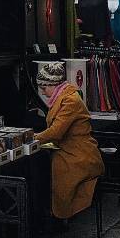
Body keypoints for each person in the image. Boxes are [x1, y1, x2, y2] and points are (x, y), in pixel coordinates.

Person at [35, 61, 103, 222]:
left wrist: (32, 138)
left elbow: (56, 131)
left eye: (44, 88)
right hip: (72, 149)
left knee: (58, 173)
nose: (43, 93)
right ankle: (52, 212)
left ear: (53, 85)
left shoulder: (69, 101)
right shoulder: (65, 97)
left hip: (78, 155)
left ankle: (59, 215)